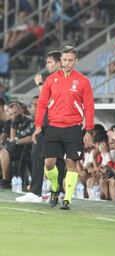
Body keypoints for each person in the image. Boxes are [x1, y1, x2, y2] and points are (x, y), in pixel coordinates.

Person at [33, 46, 94, 210]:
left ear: (76, 61)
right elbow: (42, 104)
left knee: (71, 163)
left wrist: (88, 130)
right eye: (64, 60)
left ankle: (67, 199)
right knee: (49, 163)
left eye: (70, 60)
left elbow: (89, 106)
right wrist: (38, 125)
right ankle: (55, 188)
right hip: (53, 127)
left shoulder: (83, 81)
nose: (67, 63)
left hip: (73, 128)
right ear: (61, 61)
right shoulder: (51, 80)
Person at [16, 51, 67, 203]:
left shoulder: (62, 78)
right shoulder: (52, 79)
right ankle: (44, 191)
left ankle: (41, 192)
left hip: (56, 123)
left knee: (51, 157)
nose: (47, 65)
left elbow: (49, 99)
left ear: (59, 63)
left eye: (50, 62)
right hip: (45, 123)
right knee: (40, 155)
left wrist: (39, 84)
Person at [0, 102, 34, 188]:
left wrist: (17, 141)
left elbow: (30, 138)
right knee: (3, 151)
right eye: (11, 114)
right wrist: (13, 125)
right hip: (15, 149)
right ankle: (5, 180)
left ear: (21, 110)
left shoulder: (31, 120)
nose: (14, 115)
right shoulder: (11, 123)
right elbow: (12, 140)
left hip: (29, 149)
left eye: (16, 112)